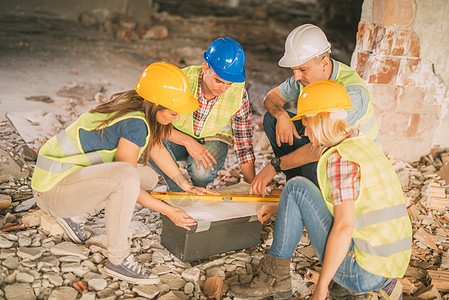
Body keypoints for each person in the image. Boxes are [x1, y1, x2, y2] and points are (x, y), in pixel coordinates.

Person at [31, 62, 218, 284]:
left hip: (63, 178)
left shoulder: (136, 102)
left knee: (147, 177)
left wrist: (184, 184)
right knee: (127, 177)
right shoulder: (136, 124)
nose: (176, 118)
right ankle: (118, 260)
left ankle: (73, 217)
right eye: (173, 112)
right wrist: (169, 211)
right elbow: (125, 179)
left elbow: (155, 145)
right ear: (156, 105)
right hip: (52, 189)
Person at [231, 80, 412, 300]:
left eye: (306, 123)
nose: (305, 132)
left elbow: (344, 227)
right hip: (389, 266)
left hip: (363, 273)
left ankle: (275, 278)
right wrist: (282, 208)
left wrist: (321, 287)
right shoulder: (363, 145)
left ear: (320, 120)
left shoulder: (340, 160)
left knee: (296, 187)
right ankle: (367, 289)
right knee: (297, 191)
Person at [250, 24, 380, 196]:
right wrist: (281, 115)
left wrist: (274, 166)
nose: (296, 77)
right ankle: (295, 184)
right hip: (321, 144)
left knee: (314, 167)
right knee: (272, 120)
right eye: (294, 70)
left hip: (352, 161)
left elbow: (324, 148)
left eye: (302, 69)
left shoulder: (352, 93)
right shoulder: (306, 78)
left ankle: (306, 193)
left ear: (324, 63)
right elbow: (271, 98)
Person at [149, 37, 255, 191]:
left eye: (229, 83)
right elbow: (151, 124)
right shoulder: (181, 81)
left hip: (212, 139)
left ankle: (199, 188)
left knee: (201, 173)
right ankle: (176, 188)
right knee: (150, 142)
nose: (224, 89)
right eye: (218, 81)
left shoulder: (239, 94)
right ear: (206, 68)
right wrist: (187, 141)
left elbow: (243, 142)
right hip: (175, 135)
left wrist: (251, 185)